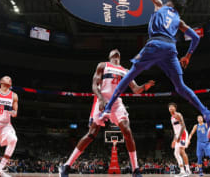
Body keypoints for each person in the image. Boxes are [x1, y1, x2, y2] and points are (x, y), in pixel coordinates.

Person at [100, 0, 210, 139]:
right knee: (180, 87)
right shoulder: (179, 20)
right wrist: (188, 56)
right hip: (171, 50)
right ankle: (207, 113)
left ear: (169, 4)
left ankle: (107, 109)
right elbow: (196, 38)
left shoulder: (160, 5)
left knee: (128, 76)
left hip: (155, 45)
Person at [59, 49, 155, 177]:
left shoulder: (126, 71)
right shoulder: (103, 65)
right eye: (113, 51)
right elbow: (94, 85)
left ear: (120, 57)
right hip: (102, 100)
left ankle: (135, 170)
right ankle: (66, 166)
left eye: (117, 52)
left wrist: (145, 86)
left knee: (127, 131)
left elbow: (136, 89)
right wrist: (100, 99)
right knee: (91, 134)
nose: (115, 52)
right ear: (110, 56)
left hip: (116, 104)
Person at [168, 103, 191, 177]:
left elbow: (183, 126)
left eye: (172, 107)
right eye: (169, 107)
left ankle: (188, 170)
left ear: (175, 108)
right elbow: (175, 131)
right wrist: (174, 140)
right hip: (177, 135)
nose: (171, 108)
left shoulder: (178, 115)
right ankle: (182, 171)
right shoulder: (171, 118)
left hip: (183, 134)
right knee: (176, 154)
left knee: (182, 151)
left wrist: (179, 137)